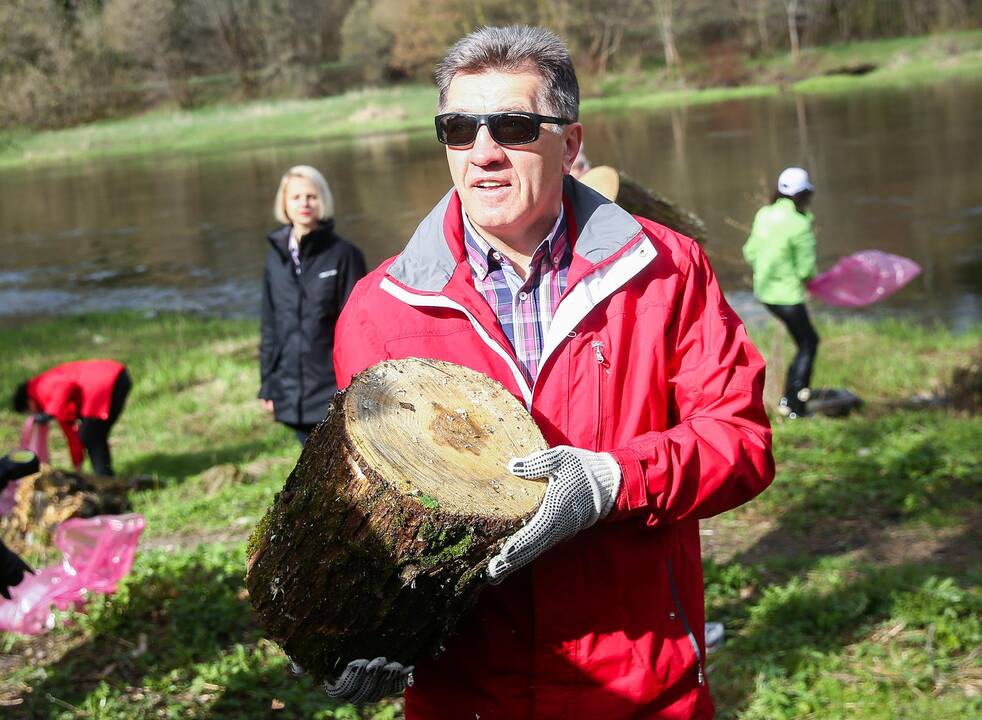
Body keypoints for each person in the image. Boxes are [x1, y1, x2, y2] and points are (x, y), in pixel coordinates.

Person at [329, 26, 774, 719]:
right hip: (468, 697)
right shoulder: (377, 310)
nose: (482, 153)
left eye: (512, 126)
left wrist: (613, 481)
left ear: (569, 144)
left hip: (640, 684)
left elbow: (739, 440)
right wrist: (361, 618)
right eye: (458, 128)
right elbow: (369, 505)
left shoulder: (667, 269)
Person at [258, 165, 367, 445]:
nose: (304, 203)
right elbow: (270, 324)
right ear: (284, 203)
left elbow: (357, 329)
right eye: (296, 197)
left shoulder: (345, 255)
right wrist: (268, 384)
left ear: (323, 200)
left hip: (332, 389)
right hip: (290, 391)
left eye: (311, 196)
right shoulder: (275, 259)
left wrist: (353, 385)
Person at [743, 167, 820, 419]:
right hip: (788, 296)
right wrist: (813, 281)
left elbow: (750, 252)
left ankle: (791, 399)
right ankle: (795, 403)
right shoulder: (799, 223)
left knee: (803, 341)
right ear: (804, 194)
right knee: (809, 343)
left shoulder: (764, 214)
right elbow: (806, 269)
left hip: (765, 293)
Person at [12, 359, 131, 476]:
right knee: (91, 434)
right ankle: (104, 477)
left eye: (29, 412)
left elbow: (66, 386)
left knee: (91, 435)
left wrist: (50, 412)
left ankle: (104, 479)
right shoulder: (53, 400)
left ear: (29, 403)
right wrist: (77, 466)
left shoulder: (39, 388)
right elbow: (70, 431)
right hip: (113, 378)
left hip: (108, 379)